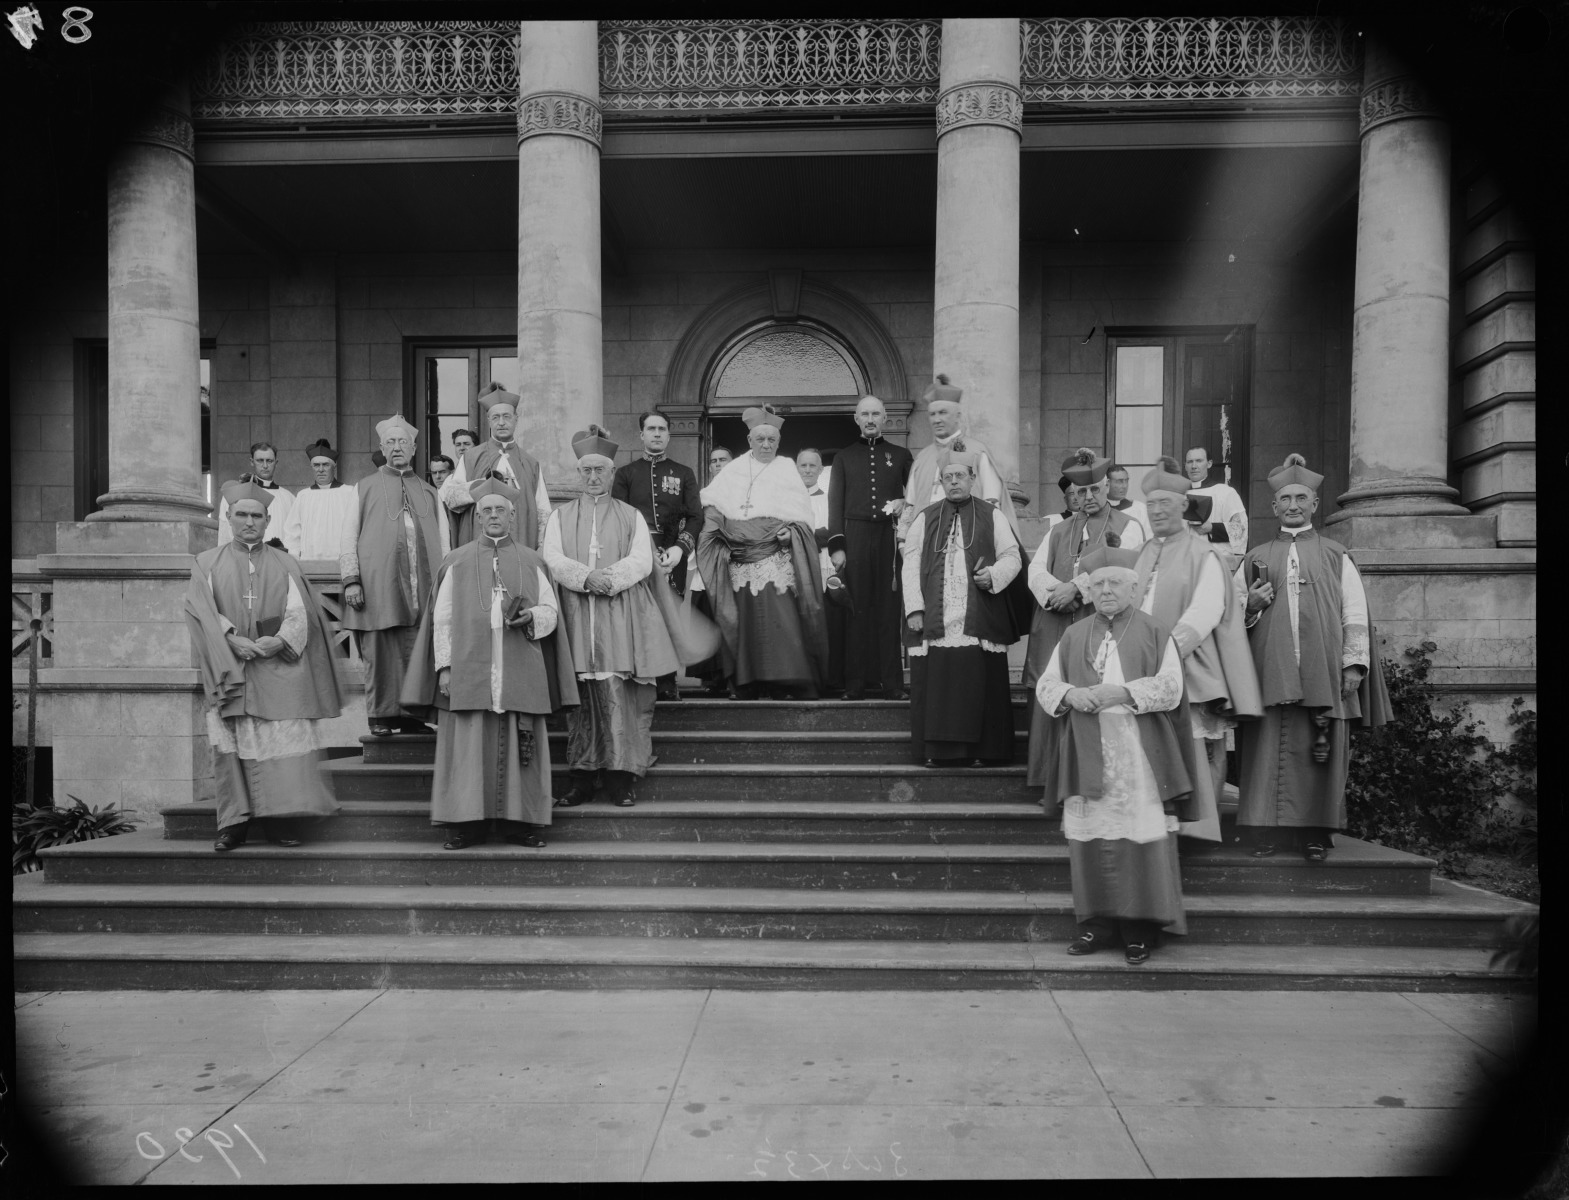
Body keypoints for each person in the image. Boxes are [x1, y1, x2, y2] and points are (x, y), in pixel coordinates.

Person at [1034, 548, 1197, 964]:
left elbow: (1171, 688)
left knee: (1138, 839)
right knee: (1092, 840)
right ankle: (1095, 926)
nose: (1106, 590)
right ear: (1088, 589)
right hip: (1086, 748)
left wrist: (1122, 693)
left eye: (1116, 583)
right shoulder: (1073, 634)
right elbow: (1046, 684)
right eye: (1099, 583)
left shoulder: (1155, 631)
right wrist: (1071, 693)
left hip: (1138, 754)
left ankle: (1139, 930)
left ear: (1135, 588)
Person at [400, 481, 580, 849]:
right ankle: (467, 825)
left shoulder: (533, 560)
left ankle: (520, 824)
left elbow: (551, 613)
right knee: (467, 750)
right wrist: (445, 668)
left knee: (521, 747)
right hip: (470, 668)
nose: (494, 515)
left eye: (501, 510)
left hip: (520, 666)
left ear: (513, 516)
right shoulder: (457, 560)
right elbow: (443, 619)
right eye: (487, 511)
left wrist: (532, 616)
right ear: (477, 516)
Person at [1235, 453, 1390, 861]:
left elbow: (1354, 612)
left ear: (1314, 504)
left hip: (1323, 670)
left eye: (1300, 497)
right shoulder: (1255, 557)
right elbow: (1230, 619)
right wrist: (1249, 605)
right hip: (1270, 670)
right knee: (1265, 748)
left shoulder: (1336, 554)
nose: (1292, 505)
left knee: (1318, 752)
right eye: (1285, 498)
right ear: (1273, 506)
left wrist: (1353, 664)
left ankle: (1314, 835)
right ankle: (1265, 831)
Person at [184, 480, 342, 852]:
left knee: (279, 746)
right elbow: (200, 611)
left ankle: (278, 821)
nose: (250, 522)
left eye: (257, 515)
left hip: (276, 668)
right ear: (229, 517)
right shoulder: (206, 562)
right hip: (231, 668)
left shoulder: (286, 562)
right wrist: (230, 638)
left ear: (269, 519)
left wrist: (280, 641)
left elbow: (301, 613)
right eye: (242, 515)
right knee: (232, 744)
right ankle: (233, 825)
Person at [543, 426, 681, 808]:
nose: (592, 477)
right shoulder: (559, 516)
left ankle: (621, 779)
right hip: (577, 614)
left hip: (620, 613)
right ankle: (582, 779)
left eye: (599, 471)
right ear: (578, 473)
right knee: (582, 699)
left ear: (610, 472)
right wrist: (586, 577)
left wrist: (610, 580)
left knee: (620, 697)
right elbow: (552, 558)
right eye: (585, 471)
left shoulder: (631, 515)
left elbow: (641, 559)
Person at [1132, 457, 1263, 841]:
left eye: (1165, 505)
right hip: (1144, 668)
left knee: (1198, 749)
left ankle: (1198, 831)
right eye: (1151, 505)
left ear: (1184, 507)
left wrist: (1165, 653)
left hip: (1191, 667)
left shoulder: (1203, 553)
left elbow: (1205, 611)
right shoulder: (1142, 553)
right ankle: (1156, 827)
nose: (1156, 512)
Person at [1023, 449, 1146, 790]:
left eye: (1094, 490)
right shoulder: (1060, 530)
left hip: (1098, 619)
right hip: (1055, 621)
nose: (1088, 497)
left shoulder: (1129, 526)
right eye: (1081, 492)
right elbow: (1035, 569)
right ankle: (1049, 780)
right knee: (1055, 687)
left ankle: (1090, 780)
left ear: (1107, 488)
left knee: (1091, 692)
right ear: (1072, 494)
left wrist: (1075, 589)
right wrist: (1053, 593)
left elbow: (1123, 567)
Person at [696, 406, 828, 700]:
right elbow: (713, 507)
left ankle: (787, 681)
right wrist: (719, 533)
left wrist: (791, 532)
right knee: (744, 622)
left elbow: (802, 516)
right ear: (749, 439)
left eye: (772, 439)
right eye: (761, 439)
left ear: (778, 442)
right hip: (740, 558)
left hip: (776, 557)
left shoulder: (786, 469)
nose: (766, 444)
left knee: (780, 619)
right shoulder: (733, 470)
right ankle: (747, 681)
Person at [902, 453, 1021, 766]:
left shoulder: (992, 515)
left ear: (972, 479)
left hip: (979, 613)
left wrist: (993, 575)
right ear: (941, 481)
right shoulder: (924, 517)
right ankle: (938, 752)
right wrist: (914, 608)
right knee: (939, 687)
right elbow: (910, 563)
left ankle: (985, 751)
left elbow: (1012, 556)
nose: (954, 481)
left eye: (960, 476)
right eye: (948, 477)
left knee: (980, 685)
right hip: (935, 615)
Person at [340, 415, 451, 738]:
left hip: (424, 584)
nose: (397, 447)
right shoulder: (363, 487)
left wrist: (445, 585)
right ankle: (382, 717)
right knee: (381, 650)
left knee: (417, 649)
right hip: (378, 585)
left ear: (414, 447)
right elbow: (348, 536)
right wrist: (351, 579)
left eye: (403, 442)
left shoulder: (430, 492)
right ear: (381, 447)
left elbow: (444, 541)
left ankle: (413, 715)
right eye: (390, 442)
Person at [612, 410, 702, 702]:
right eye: (651, 428)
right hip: (636, 555)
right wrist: (639, 551)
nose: (657, 433)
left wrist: (681, 548)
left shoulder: (684, 473)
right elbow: (619, 516)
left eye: (662, 429)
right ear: (641, 434)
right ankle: (637, 679)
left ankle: (666, 682)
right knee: (637, 616)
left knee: (668, 616)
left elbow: (695, 517)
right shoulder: (625, 474)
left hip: (672, 555)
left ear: (669, 434)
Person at [828, 395, 913, 701]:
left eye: (876, 413)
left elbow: (916, 496)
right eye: (865, 414)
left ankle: (892, 684)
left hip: (889, 538)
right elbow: (834, 503)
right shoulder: (844, 457)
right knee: (856, 610)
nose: (870, 419)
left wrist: (906, 502)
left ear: (885, 418)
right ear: (856, 419)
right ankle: (855, 684)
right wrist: (837, 545)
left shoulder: (901, 455)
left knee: (889, 611)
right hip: (856, 538)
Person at [900, 375, 1017, 543]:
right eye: (932, 414)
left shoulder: (978, 452)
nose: (937, 419)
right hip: (926, 538)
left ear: (958, 416)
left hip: (968, 537)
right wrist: (903, 543)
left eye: (943, 413)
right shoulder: (922, 458)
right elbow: (910, 506)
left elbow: (992, 503)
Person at [439, 383, 551, 550]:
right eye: (496, 417)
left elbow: (543, 511)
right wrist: (479, 486)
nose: (501, 422)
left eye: (506, 416)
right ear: (489, 420)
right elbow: (450, 498)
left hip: (520, 542)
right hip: (478, 542)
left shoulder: (530, 463)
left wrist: (542, 547)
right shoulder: (471, 458)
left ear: (516, 419)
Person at [686, 445, 736, 695]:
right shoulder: (703, 495)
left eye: (723, 460)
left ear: (733, 462)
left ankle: (734, 676)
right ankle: (713, 677)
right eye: (714, 461)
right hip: (706, 562)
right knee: (708, 615)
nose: (718, 464)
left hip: (734, 561)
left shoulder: (742, 490)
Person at [798, 447, 846, 695]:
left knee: (829, 622)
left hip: (824, 565)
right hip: (797, 567)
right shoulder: (788, 498)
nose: (807, 470)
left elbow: (835, 528)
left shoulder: (828, 498)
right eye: (803, 465)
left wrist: (805, 537)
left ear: (820, 469)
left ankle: (831, 678)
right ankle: (804, 681)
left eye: (812, 466)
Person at [282, 440, 358, 561]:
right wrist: (294, 559)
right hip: (309, 562)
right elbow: (292, 533)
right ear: (311, 467)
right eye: (316, 465)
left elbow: (356, 528)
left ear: (334, 466)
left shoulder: (349, 493)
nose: (321, 469)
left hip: (341, 562)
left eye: (325, 465)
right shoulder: (303, 496)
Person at [217, 441, 294, 546]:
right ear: (252, 461)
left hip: (279, 557)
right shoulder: (235, 494)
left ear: (276, 463)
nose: (265, 466)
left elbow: (293, 536)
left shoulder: (289, 498)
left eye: (269, 461)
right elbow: (225, 532)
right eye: (260, 461)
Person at [1184, 446, 1248, 563]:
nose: (1194, 466)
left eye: (1199, 461)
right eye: (1190, 462)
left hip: (1215, 561)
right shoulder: (1180, 496)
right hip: (1186, 562)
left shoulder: (1225, 492)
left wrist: (1212, 528)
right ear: (1185, 466)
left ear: (1209, 464)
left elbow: (1241, 529)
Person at [1107, 463, 1150, 540]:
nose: (1124, 486)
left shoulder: (1140, 509)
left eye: (1126, 481)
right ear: (1107, 483)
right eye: (1119, 481)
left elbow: (1149, 538)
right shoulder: (1100, 510)